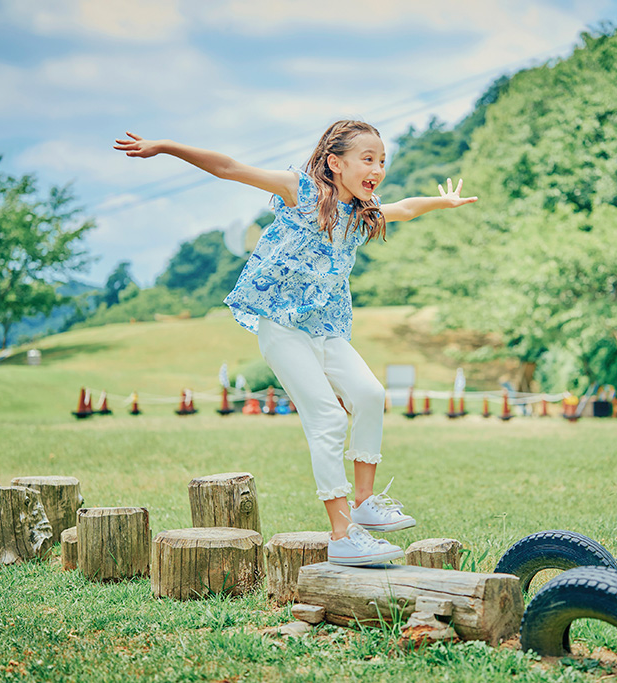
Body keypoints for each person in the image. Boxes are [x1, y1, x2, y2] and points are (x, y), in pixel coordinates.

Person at [114, 120, 477, 565]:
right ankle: (342, 534)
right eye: (368, 159)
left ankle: (364, 504)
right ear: (334, 163)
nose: (377, 169)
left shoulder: (363, 211)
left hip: (326, 331)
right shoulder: (300, 192)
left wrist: (442, 202)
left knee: (370, 394)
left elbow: (403, 208)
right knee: (326, 418)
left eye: (382, 161)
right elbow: (229, 167)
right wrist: (166, 146)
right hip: (283, 329)